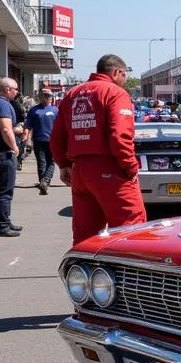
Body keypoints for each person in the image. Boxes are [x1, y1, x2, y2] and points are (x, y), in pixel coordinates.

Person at [50, 53, 147, 245]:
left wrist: (63, 165)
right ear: (117, 72)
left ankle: (83, 273)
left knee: (85, 234)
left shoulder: (72, 94)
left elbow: (56, 137)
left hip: (80, 170)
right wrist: (131, 167)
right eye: (125, 76)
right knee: (131, 230)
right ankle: (125, 274)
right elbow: (120, 136)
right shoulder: (115, 93)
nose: (125, 81)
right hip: (110, 168)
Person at [0, 77, 22, 236]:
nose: (17, 92)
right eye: (15, 90)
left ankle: (3, 221)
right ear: (7, 89)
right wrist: (14, 147)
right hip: (3, 154)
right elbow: (5, 130)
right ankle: (2, 225)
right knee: (5, 191)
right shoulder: (4, 105)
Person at [23, 88, 58, 195]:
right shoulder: (34, 110)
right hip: (38, 141)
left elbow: (62, 126)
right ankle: (43, 182)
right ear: (41, 97)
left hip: (53, 140)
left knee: (51, 162)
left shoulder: (55, 110)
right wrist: (25, 138)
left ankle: (45, 180)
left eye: (50, 96)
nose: (48, 98)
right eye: (46, 96)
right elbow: (28, 125)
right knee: (41, 162)